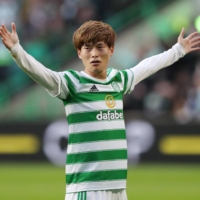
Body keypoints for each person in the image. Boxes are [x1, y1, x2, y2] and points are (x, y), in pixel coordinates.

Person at [0, 21, 200, 200]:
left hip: (118, 187)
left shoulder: (118, 80)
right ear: (79, 53)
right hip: (87, 188)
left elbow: (146, 66)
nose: (94, 53)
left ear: (111, 50)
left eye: (100, 47)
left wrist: (178, 50)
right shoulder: (72, 83)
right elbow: (41, 73)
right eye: (87, 48)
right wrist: (16, 49)